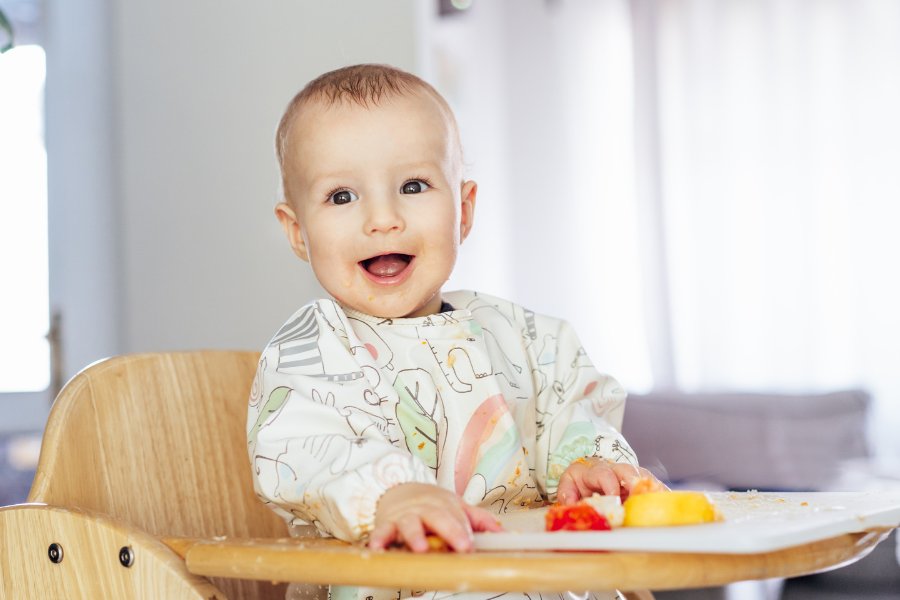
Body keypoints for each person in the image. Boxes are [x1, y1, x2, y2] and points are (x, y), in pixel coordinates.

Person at [247, 63, 660, 600]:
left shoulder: (528, 338)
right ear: (298, 231)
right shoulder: (309, 353)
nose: (383, 218)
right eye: (342, 196)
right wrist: (392, 494)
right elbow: (302, 451)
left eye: (413, 186)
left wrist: (586, 464)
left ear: (463, 210)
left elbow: (572, 412)